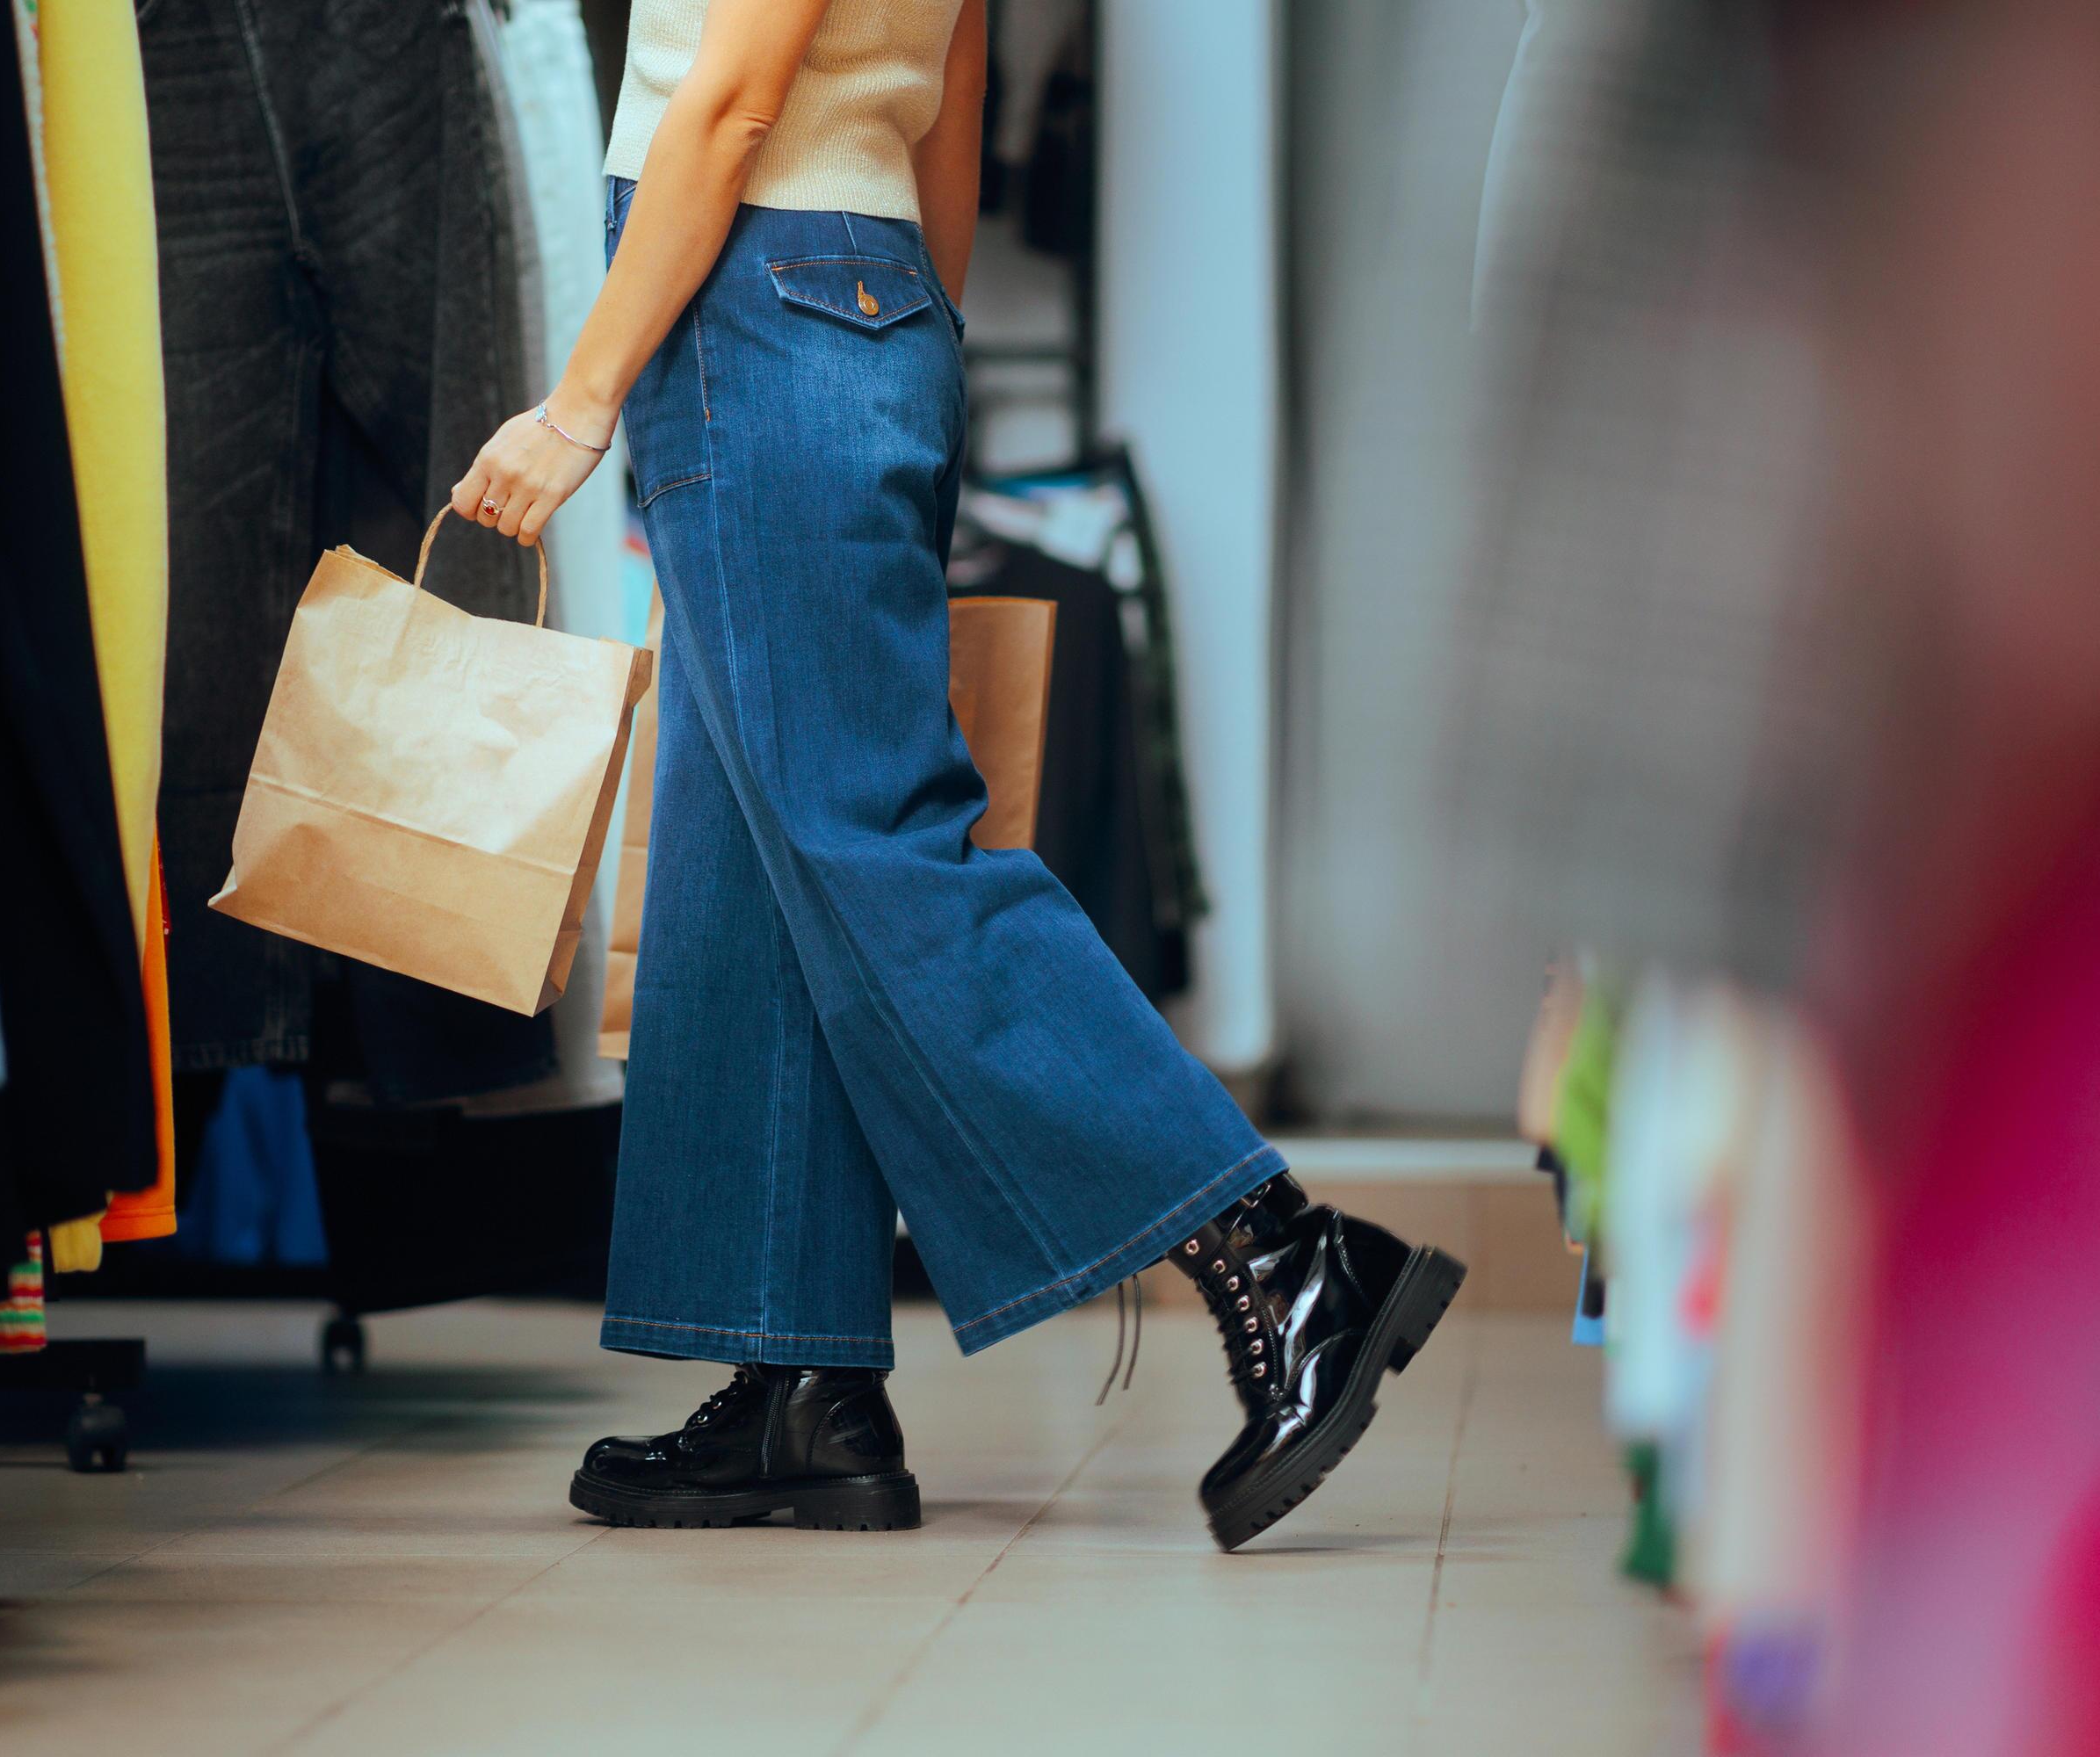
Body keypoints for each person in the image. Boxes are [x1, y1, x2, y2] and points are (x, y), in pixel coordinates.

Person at [447, 0, 1463, 1551]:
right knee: (750, 859)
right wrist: (902, 339)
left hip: (748, 292)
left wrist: (576, 404)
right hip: (848, 292)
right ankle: (801, 1389)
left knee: (869, 838)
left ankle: (1281, 1254)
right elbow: (960, 70)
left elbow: (730, 100)